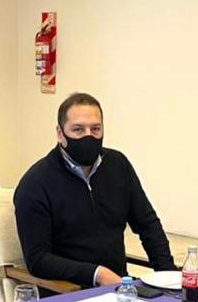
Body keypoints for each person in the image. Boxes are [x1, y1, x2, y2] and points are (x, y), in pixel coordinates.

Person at [14, 92, 176, 288]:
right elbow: (38, 259)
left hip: (120, 288)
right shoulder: (35, 184)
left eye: (95, 129)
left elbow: (148, 224)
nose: (88, 136)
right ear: (60, 133)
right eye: (78, 130)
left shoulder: (118, 165)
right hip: (67, 292)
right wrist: (97, 274)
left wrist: (169, 277)